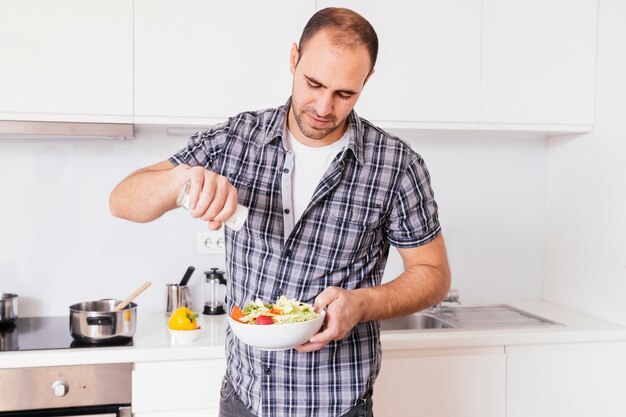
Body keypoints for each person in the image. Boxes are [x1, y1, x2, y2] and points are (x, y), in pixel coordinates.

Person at [110, 7, 450, 417]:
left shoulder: (395, 164)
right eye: (313, 83)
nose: (324, 106)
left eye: (345, 93)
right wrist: (182, 182)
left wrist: (362, 304)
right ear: (294, 59)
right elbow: (122, 200)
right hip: (243, 399)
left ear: (366, 82)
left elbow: (433, 275)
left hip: (338, 407)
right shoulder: (237, 139)